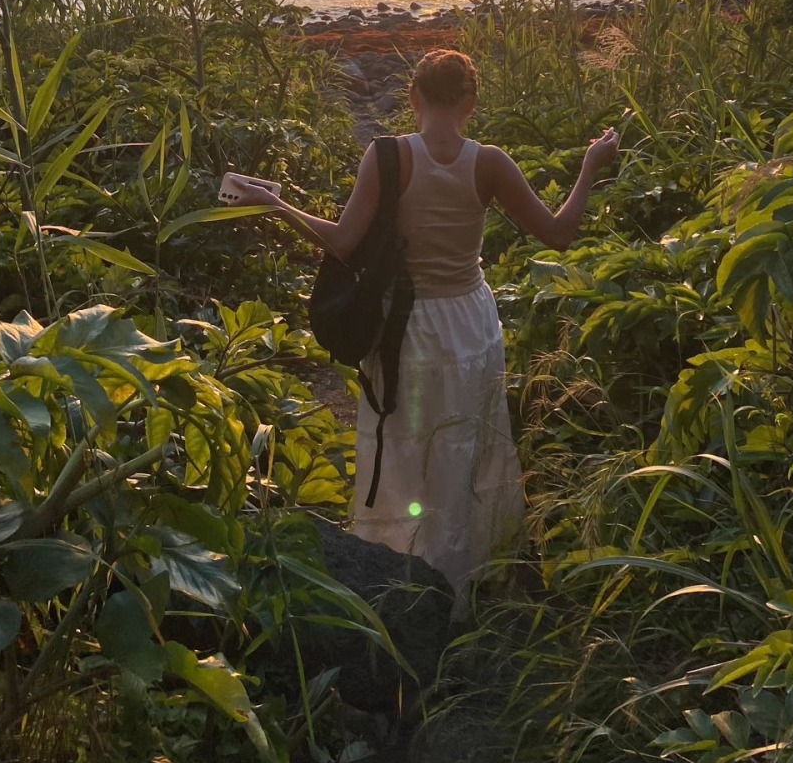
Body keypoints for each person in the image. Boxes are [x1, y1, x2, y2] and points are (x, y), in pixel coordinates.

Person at [232, 49, 619, 592]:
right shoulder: (490, 162)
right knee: (467, 445)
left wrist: (273, 204)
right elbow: (558, 234)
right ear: (472, 102)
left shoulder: (386, 156)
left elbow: (343, 242)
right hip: (470, 324)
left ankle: (403, 577)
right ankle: (472, 579)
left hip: (405, 328)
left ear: (412, 96)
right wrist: (589, 167)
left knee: (406, 443)